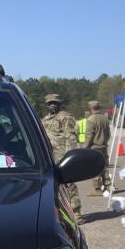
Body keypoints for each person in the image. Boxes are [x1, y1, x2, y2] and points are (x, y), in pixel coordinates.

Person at [41, 93, 82, 222]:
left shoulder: (65, 117)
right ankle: (59, 212)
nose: (52, 105)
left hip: (63, 155)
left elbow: (71, 137)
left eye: (55, 103)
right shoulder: (45, 119)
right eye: (50, 103)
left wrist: (70, 157)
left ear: (59, 104)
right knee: (53, 184)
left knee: (69, 184)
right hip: (49, 156)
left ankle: (76, 212)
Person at [84, 100, 112, 194]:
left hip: (94, 147)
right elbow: (108, 134)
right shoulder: (105, 118)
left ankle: (97, 189)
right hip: (104, 146)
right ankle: (108, 186)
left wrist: (85, 148)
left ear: (91, 108)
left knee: (95, 168)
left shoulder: (91, 119)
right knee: (105, 167)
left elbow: (89, 136)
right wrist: (104, 141)